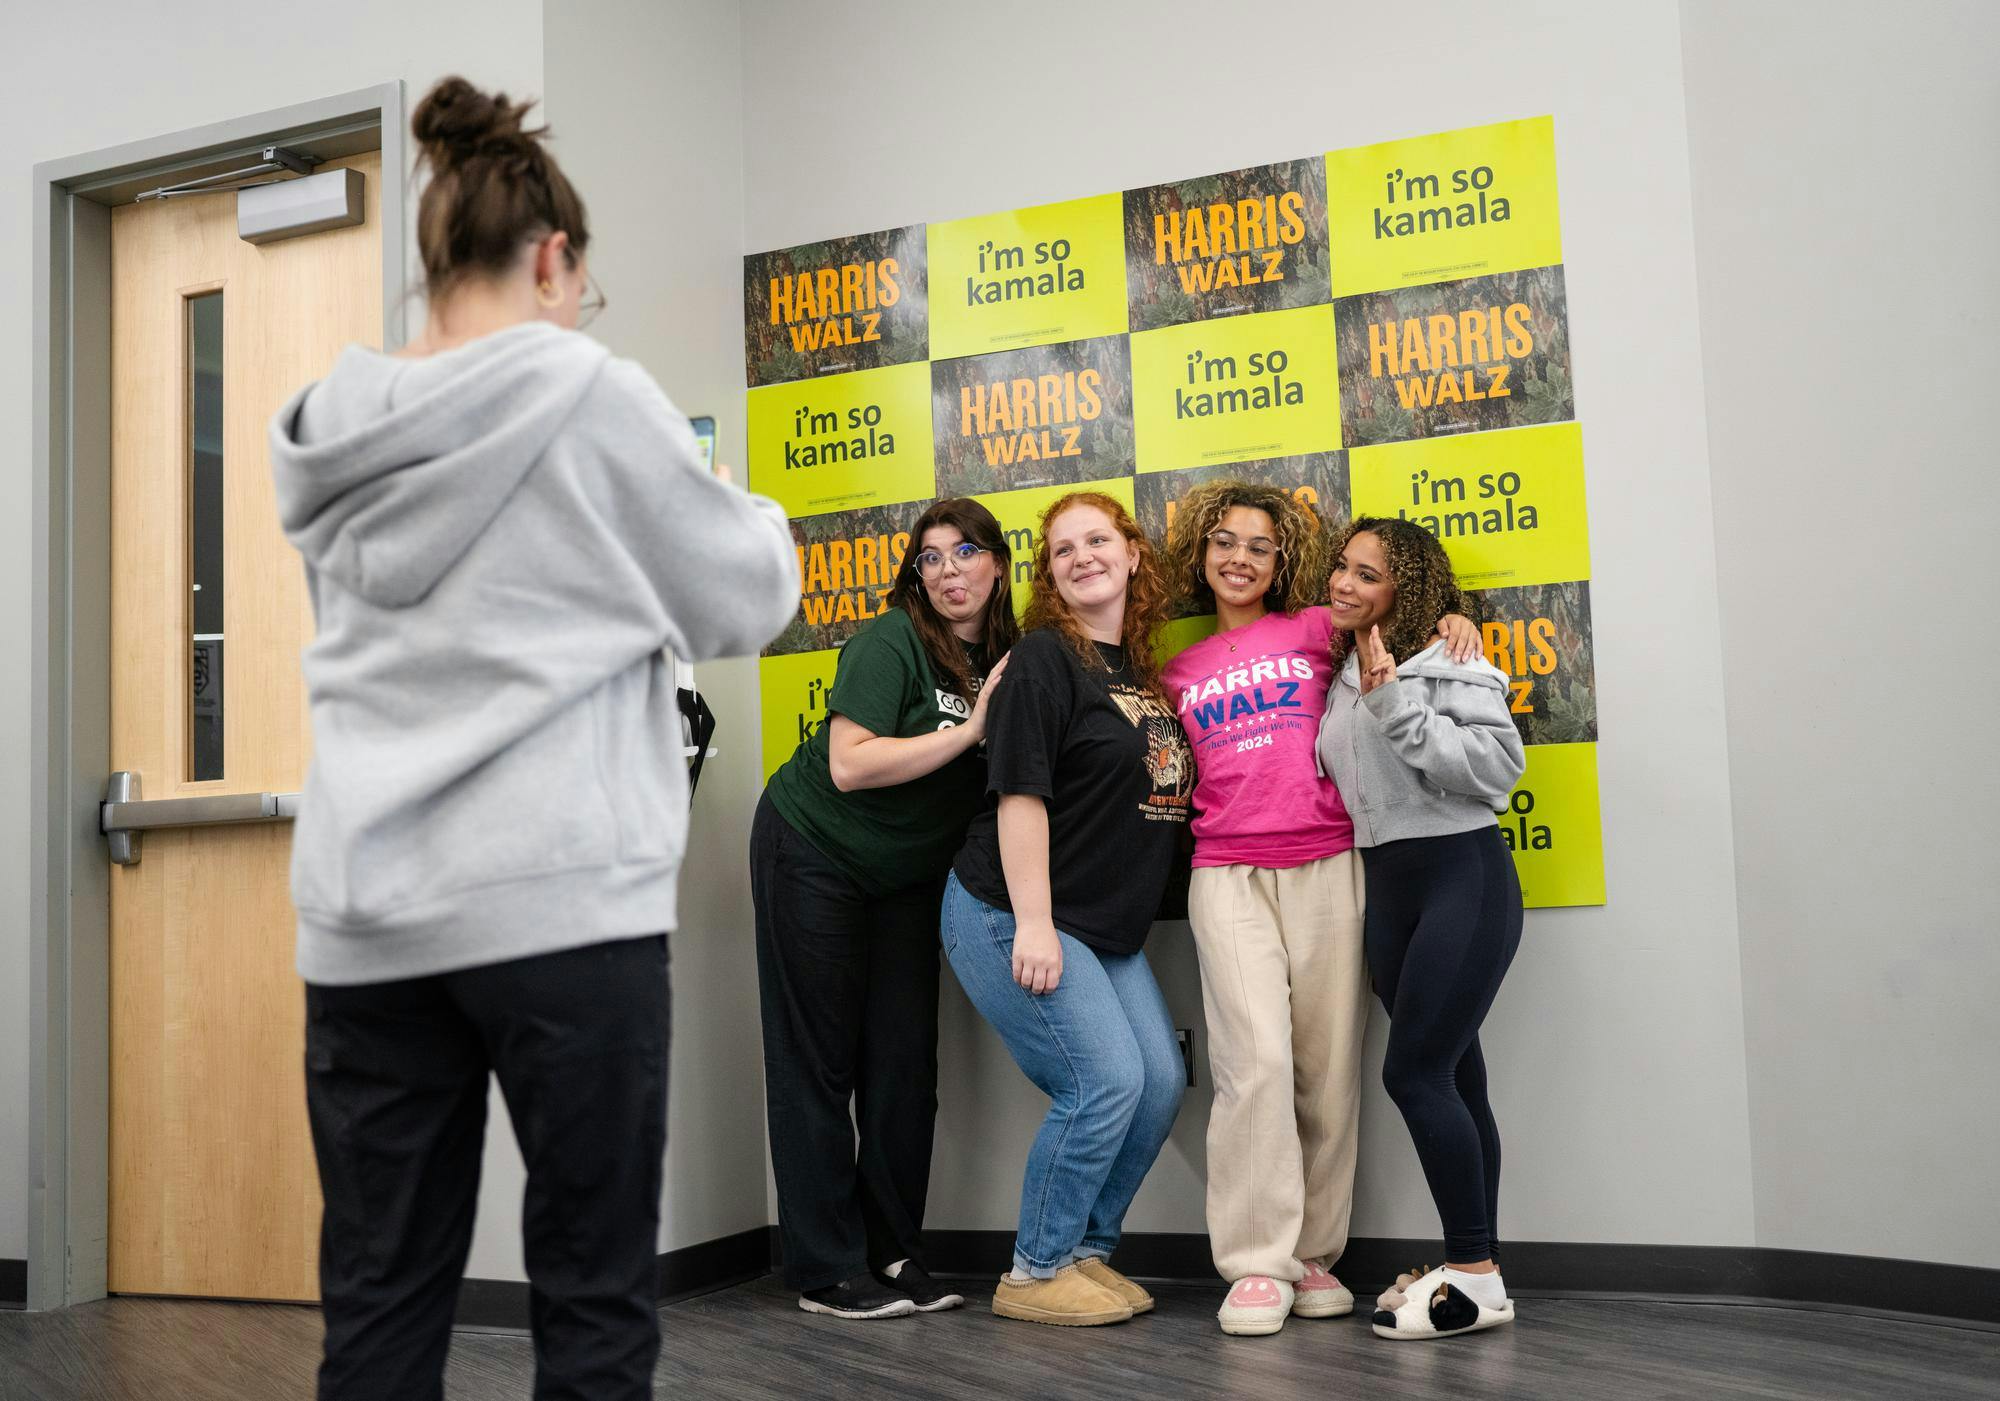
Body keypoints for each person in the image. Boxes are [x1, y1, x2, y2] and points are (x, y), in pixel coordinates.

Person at [268, 77, 799, 1400]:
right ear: (552, 258)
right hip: (559, 904)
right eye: (585, 285)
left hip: (365, 911)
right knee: (592, 1301)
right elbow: (747, 595)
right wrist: (735, 505)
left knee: (380, 1301)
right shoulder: (583, 390)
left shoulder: (328, 430)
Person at [1158, 482, 1479, 1336]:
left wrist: (1458, 619)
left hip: (1330, 863)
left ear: (1280, 561)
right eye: (1224, 542)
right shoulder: (1174, 669)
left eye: (1259, 546)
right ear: (1202, 554)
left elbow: (1399, 605)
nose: (1239, 557)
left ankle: (1312, 1257)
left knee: (1327, 1062)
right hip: (1226, 871)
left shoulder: (1312, 628)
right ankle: (1256, 1261)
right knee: (1252, 1061)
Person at [752, 498, 1017, 1320]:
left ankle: (895, 1252)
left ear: (999, 565)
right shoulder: (891, 639)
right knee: (819, 1060)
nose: (948, 571)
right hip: (814, 848)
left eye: (965, 552)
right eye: (930, 558)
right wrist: (972, 731)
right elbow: (848, 764)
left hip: (907, 873)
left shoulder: (1011, 656)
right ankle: (827, 1270)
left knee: (904, 1066)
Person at [941, 491, 1191, 1328]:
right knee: (1104, 1079)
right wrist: (1036, 921)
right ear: (1048, 574)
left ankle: (1085, 1250)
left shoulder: (1136, 673)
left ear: (1130, 553)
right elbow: (1020, 794)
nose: (1081, 555)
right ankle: (1035, 1267)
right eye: (1061, 549)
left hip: (1101, 925)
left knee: (1158, 1083)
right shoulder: (1046, 658)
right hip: (1008, 908)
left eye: (1096, 540)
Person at [1313, 516, 1527, 1342]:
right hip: (1389, 890)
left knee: (1414, 1073)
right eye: (1341, 566)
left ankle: (1471, 1271)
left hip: (1460, 877)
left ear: (1407, 589)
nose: (1344, 582)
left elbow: (1498, 770)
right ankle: (1483, 1272)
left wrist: (1397, 703)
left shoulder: (1449, 660)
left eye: (1367, 574)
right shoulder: (1339, 668)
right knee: (1455, 1079)